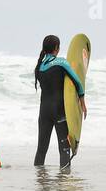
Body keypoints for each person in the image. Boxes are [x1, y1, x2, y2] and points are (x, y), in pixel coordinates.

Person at [33, 34, 86, 168]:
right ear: (56, 48)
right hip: (59, 111)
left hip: (44, 111)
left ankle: (39, 180)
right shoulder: (61, 63)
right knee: (64, 149)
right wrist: (82, 101)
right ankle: (64, 180)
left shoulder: (39, 67)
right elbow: (77, 82)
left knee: (41, 149)